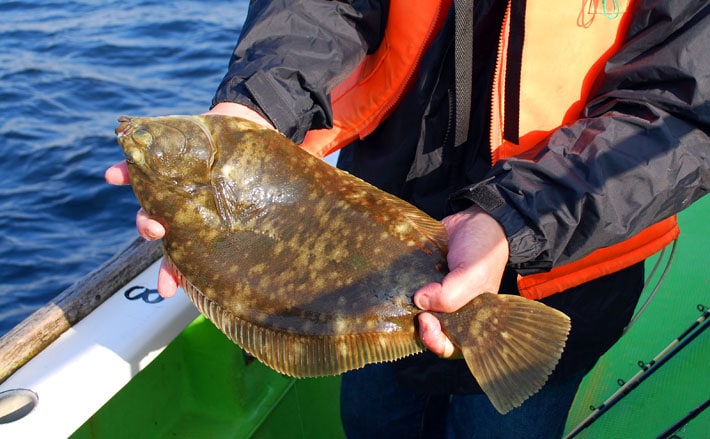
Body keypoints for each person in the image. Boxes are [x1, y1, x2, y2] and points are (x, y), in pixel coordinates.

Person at [106, 1, 709, 437]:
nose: (132, 135)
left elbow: (683, 108)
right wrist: (255, 104)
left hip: (560, 262)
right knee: (371, 423)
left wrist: (516, 218)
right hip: (376, 236)